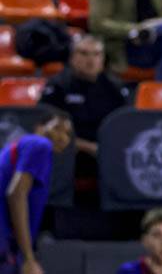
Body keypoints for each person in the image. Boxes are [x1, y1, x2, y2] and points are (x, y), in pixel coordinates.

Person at [37, 34, 127, 203]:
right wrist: (87, 147)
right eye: (84, 53)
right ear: (72, 57)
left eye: (96, 54)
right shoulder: (58, 86)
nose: (90, 60)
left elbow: (126, 126)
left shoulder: (115, 87)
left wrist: (106, 148)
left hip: (106, 152)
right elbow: (43, 130)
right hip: (68, 152)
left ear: (103, 59)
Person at [0, 107, 72, 274]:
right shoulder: (40, 144)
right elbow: (16, 194)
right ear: (39, 128)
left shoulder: (24, 145)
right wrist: (28, 257)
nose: (62, 136)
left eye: (67, 133)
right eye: (57, 128)